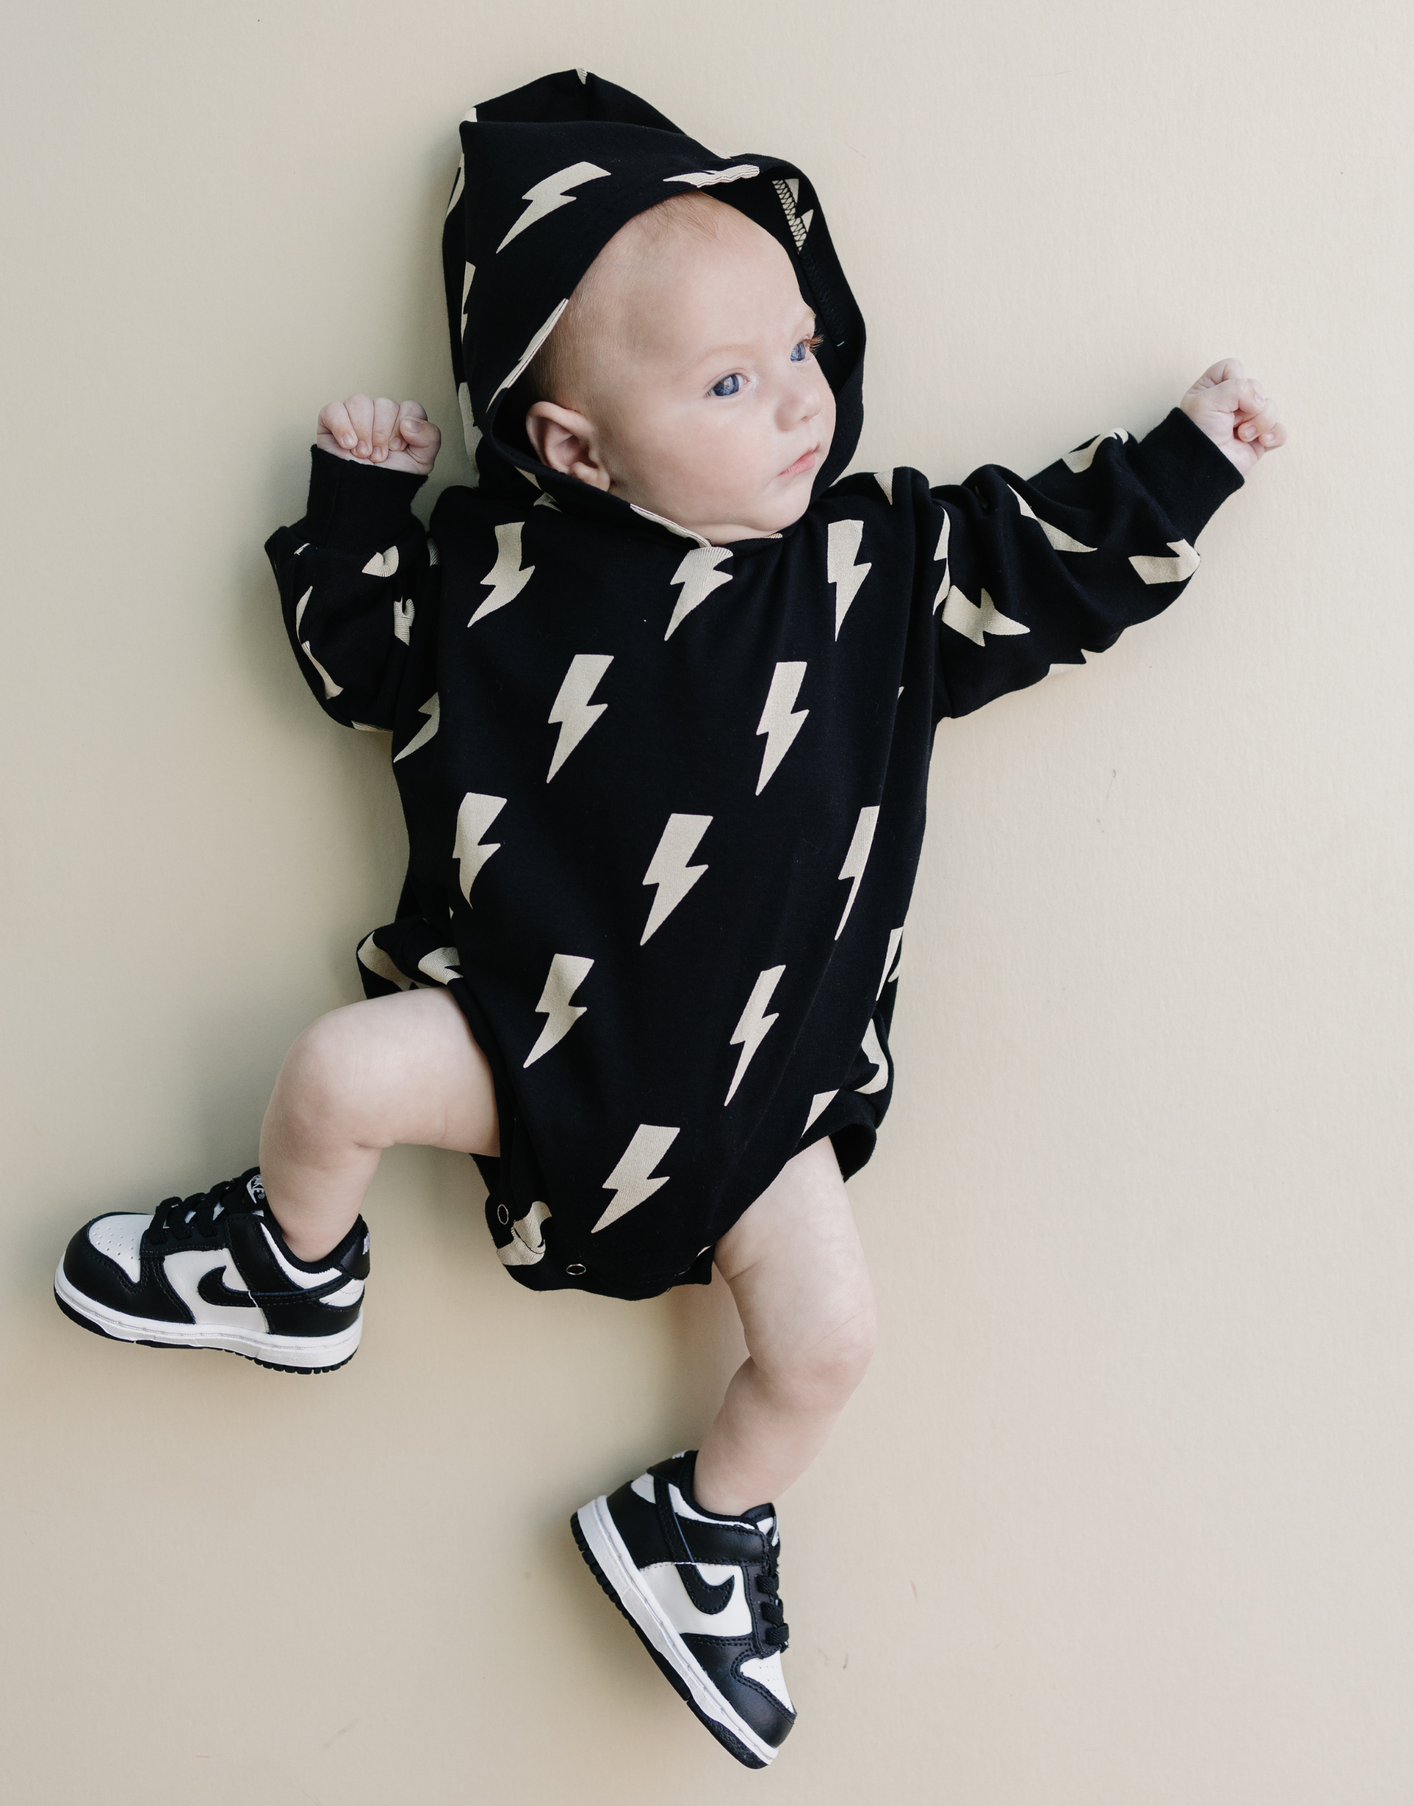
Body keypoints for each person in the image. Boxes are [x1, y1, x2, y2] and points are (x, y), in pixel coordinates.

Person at [51, 70, 1285, 1768]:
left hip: (757, 1105)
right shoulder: (496, 579)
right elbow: (356, 657)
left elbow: (1046, 567)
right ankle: (290, 1261)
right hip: (527, 1042)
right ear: (574, 441)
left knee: (830, 1344)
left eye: (801, 351)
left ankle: (701, 1525)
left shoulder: (875, 573)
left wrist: (1186, 467)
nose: (798, 403)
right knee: (335, 1075)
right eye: (726, 380)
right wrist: (356, 505)